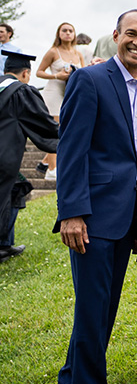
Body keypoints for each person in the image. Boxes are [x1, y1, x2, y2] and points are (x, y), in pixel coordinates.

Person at [51, 9, 137, 384]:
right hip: (91, 216)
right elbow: (72, 148)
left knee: (102, 308)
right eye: (131, 33)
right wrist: (71, 212)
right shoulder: (90, 80)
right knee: (94, 310)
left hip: (124, 216)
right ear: (116, 36)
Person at [0, 50, 59, 263]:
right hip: (4, 157)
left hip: (7, 160)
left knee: (17, 187)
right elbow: (44, 125)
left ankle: (5, 244)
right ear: (26, 73)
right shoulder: (20, 91)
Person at [36, 22, 85, 181]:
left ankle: (44, 162)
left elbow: (84, 74)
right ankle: (52, 169)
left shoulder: (78, 54)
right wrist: (57, 76)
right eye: (64, 30)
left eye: (71, 30)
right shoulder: (53, 52)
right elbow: (39, 72)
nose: (68, 33)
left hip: (70, 93)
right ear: (59, 34)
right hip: (54, 92)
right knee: (55, 130)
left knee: (66, 131)